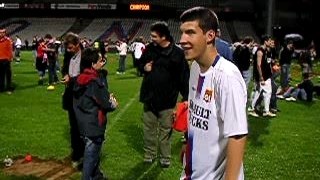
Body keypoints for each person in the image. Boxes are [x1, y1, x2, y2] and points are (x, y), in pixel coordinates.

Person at [179, 7, 248, 179]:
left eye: (190, 33)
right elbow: (197, 112)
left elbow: (237, 136)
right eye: (182, 33)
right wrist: (187, 142)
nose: (182, 40)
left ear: (210, 36)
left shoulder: (227, 76)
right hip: (193, 171)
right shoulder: (195, 67)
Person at [138, 21, 190, 168]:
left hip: (167, 100)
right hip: (149, 97)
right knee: (149, 130)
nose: (152, 38)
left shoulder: (178, 54)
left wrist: (186, 97)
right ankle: (149, 154)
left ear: (163, 37)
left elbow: (184, 77)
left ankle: (165, 157)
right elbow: (140, 64)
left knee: (165, 131)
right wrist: (144, 68)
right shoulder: (150, 49)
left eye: (154, 36)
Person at [73, 47, 118, 180]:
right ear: (92, 64)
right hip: (94, 124)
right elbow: (106, 103)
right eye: (100, 60)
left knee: (92, 154)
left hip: (83, 123)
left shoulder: (80, 78)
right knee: (91, 157)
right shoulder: (94, 82)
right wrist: (112, 103)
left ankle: (97, 176)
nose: (102, 62)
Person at [61, 32, 85, 168]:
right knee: (74, 127)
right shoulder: (68, 55)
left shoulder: (86, 56)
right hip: (71, 95)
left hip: (82, 96)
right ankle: (76, 154)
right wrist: (65, 75)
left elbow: (87, 76)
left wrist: (73, 79)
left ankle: (85, 155)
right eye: (67, 48)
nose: (69, 51)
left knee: (83, 127)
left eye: (71, 48)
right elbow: (65, 69)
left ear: (78, 44)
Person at [249, 35, 276, 117]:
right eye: (269, 41)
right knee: (258, 92)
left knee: (267, 92)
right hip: (262, 76)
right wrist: (261, 77)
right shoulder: (260, 51)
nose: (271, 42)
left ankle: (265, 110)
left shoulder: (267, 50)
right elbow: (258, 65)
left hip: (267, 75)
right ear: (265, 41)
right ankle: (252, 108)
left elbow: (268, 63)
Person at [0, 28, 14, 94]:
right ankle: (1, 88)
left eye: (3, 32)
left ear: (5, 33)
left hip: (6, 59)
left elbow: (10, 50)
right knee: (1, 75)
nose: (1, 33)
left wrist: (10, 58)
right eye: (0, 32)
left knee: (8, 75)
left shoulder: (8, 40)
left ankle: (9, 88)